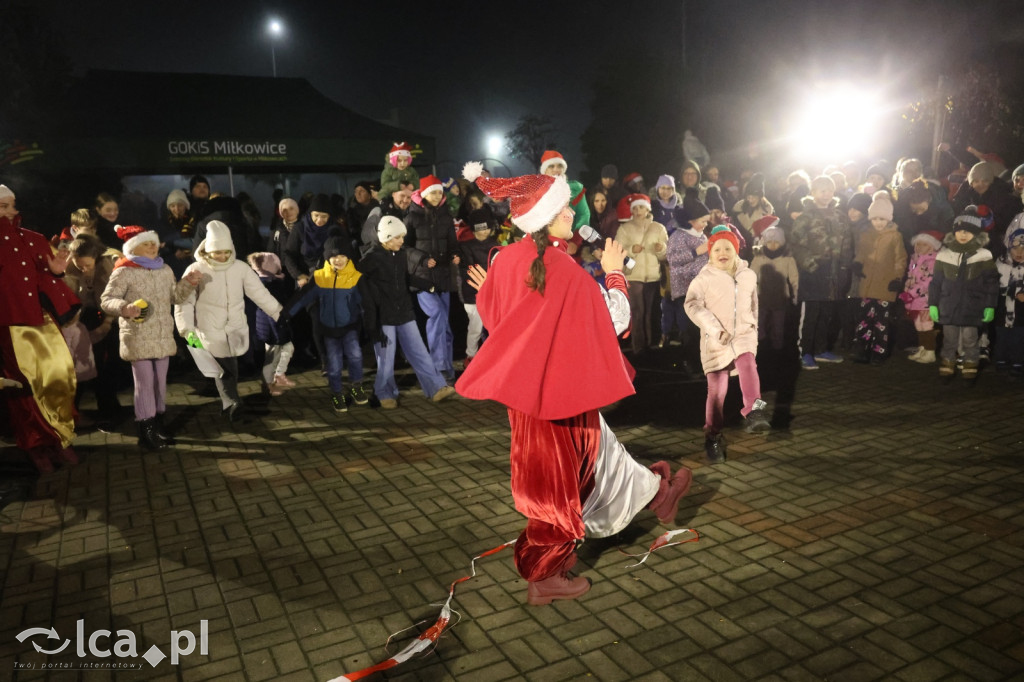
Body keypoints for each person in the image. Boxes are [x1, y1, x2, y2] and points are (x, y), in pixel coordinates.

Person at [455, 173, 692, 605]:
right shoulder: (561, 269)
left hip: (533, 392)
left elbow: (499, 317)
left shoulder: (507, 260)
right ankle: (545, 574)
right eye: (564, 209)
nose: (572, 214)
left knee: (604, 452)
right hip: (558, 396)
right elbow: (614, 320)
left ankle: (660, 495)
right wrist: (615, 274)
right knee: (556, 484)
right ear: (545, 219)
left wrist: (491, 288)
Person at [0, 184, 80, 473]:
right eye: (4, 206)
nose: (12, 211)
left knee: (59, 375)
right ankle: (35, 443)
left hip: (41, 319)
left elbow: (46, 274)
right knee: (25, 386)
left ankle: (59, 437)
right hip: (11, 323)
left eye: (13, 205)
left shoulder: (32, 238)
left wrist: (56, 270)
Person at [100, 226, 200, 450]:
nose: (153, 246)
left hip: (162, 335)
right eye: (147, 243)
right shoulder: (123, 271)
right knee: (144, 383)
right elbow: (107, 300)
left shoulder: (164, 269)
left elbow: (174, 297)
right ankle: (145, 430)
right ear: (133, 247)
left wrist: (189, 282)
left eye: (154, 243)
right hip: (138, 336)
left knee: (159, 383)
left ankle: (158, 424)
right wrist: (125, 307)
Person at [175, 221, 284, 422]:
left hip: (235, 327)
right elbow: (184, 302)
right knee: (223, 368)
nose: (222, 256)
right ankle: (232, 402)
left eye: (226, 251)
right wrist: (186, 329)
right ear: (208, 250)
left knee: (231, 367)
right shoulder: (196, 269)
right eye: (217, 252)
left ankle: (229, 402)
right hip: (209, 328)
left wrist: (278, 312)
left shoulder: (240, 268)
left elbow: (259, 293)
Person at [685, 225, 771, 463]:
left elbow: (754, 304)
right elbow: (692, 305)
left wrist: (752, 328)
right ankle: (712, 435)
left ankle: (755, 409)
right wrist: (714, 329)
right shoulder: (703, 279)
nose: (722, 253)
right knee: (716, 392)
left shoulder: (748, 275)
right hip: (716, 341)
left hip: (743, 336)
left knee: (748, 365)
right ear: (710, 253)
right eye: (717, 249)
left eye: (728, 248)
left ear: (736, 251)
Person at [359, 216, 456, 409]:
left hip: (404, 311)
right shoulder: (371, 259)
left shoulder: (400, 254)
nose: (402, 241)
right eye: (397, 237)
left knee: (419, 352)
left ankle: (436, 388)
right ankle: (384, 393)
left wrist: (426, 284)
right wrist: (371, 316)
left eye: (402, 237)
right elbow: (360, 284)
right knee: (385, 357)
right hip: (384, 315)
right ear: (386, 238)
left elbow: (403, 278)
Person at [287, 233, 368, 412]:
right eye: (333, 256)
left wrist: (371, 324)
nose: (337, 260)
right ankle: (337, 393)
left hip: (350, 327)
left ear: (348, 257)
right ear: (327, 258)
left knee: (355, 356)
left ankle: (356, 386)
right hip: (328, 329)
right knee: (334, 364)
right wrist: (286, 314)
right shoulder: (319, 277)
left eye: (342, 256)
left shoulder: (355, 277)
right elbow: (303, 297)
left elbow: (366, 302)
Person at [929, 206, 1000, 382]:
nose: (963, 234)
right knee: (949, 339)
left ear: (976, 234)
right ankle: (947, 366)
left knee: (970, 339)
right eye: (959, 231)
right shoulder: (944, 255)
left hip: (973, 306)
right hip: (949, 306)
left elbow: (991, 283)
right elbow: (936, 282)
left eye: (968, 231)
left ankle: (970, 367)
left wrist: (990, 305)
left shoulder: (983, 255)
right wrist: (933, 303)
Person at [789, 175, 852, 369]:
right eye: (822, 190)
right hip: (813, 271)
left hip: (834, 271)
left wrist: (844, 265)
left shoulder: (840, 216)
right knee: (811, 314)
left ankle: (821, 349)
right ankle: (806, 351)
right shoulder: (806, 216)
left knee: (827, 312)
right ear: (813, 192)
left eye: (830, 190)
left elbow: (847, 243)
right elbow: (796, 244)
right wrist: (810, 265)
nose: (827, 194)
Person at [405, 175, 460, 380]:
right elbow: (404, 246)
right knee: (436, 314)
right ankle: (438, 367)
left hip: (443, 276)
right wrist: (421, 259)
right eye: (433, 192)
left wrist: (456, 255)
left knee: (444, 323)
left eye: (439, 192)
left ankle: (447, 369)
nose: (437, 196)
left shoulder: (446, 216)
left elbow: (453, 244)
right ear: (424, 194)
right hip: (422, 279)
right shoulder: (412, 216)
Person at [64, 234, 122, 422]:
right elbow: (68, 298)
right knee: (80, 365)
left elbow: (113, 297)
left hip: (107, 316)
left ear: (95, 258)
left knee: (107, 365)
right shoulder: (69, 268)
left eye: (87, 265)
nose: (84, 268)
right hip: (79, 319)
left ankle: (108, 407)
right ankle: (72, 412)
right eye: (80, 265)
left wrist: (106, 323)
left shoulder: (106, 267)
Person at [849, 193, 908, 364]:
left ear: (889, 218)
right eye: (875, 219)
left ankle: (879, 351)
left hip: (885, 284)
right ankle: (861, 348)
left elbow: (900, 259)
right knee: (864, 318)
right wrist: (858, 263)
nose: (879, 222)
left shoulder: (895, 236)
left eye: (882, 219)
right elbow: (861, 252)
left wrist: (898, 278)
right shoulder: (866, 234)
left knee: (881, 321)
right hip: (867, 282)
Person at [614, 193, 668, 354]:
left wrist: (661, 249)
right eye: (635, 208)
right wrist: (631, 250)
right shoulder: (624, 229)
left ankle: (652, 343)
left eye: (641, 207)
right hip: (633, 275)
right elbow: (618, 251)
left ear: (647, 209)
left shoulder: (658, 227)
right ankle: (638, 345)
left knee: (652, 311)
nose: (638, 211)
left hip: (652, 276)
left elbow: (665, 254)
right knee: (637, 310)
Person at [666, 198, 711, 368]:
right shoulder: (678, 236)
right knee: (689, 328)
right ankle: (689, 362)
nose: (705, 225)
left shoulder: (701, 235)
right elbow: (672, 259)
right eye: (703, 221)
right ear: (691, 221)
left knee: (700, 327)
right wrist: (696, 252)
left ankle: (701, 361)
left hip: (701, 288)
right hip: (685, 289)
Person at [246, 252, 296, 396]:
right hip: (273, 328)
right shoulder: (270, 285)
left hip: (273, 327)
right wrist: (278, 331)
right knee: (271, 358)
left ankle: (278, 376)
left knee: (286, 349)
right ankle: (268, 385)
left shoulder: (266, 281)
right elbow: (271, 310)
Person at [459, 207, 500, 367]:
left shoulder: (495, 245)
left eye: (487, 228)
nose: (484, 231)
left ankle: (493, 357)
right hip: (472, 294)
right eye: (480, 228)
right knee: (475, 327)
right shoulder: (466, 247)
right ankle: (471, 356)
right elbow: (467, 271)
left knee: (494, 328)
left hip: (493, 294)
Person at [750, 222, 799, 353]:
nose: (772, 244)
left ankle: (777, 348)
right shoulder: (759, 256)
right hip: (762, 295)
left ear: (782, 242)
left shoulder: (788, 258)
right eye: (769, 241)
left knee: (778, 324)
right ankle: (760, 345)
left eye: (776, 241)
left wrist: (795, 294)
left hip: (780, 297)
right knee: (760, 322)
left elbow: (794, 278)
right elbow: (751, 274)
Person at [901, 231, 942, 364]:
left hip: (926, 299)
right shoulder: (914, 259)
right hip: (914, 299)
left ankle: (930, 352)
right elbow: (910, 276)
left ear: (932, 247)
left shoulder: (932, 261)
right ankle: (922, 348)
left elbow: (928, 281)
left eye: (924, 244)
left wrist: (911, 292)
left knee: (927, 325)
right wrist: (907, 290)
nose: (919, 247)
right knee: (919, 325)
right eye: (918, 244)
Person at [995, 225, 1024, 377]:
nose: (1019, 253)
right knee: (1002, 335)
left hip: (1020, 311)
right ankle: (1001, 358)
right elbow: (993, 284)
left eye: (1023, 249)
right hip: (1002, 309)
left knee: (1018, 337)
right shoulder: (1000, 264)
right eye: (1016, 249)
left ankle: (1017, 361)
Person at [539, 150, 590, 234]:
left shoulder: (575, 190)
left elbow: (583, 216)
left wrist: (575, 241)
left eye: (559, 166)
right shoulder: (538, 193)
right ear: (544, 170)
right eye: (551, 166)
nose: (556, 169)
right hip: (543, 241)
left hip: (570, 241)